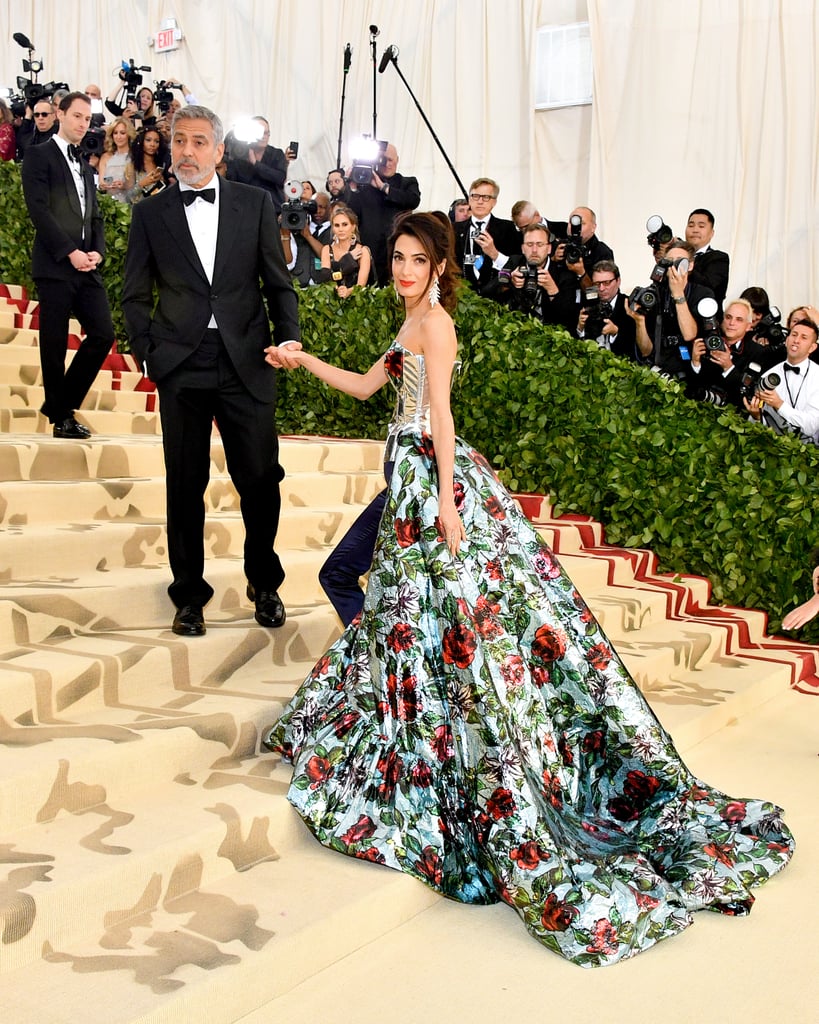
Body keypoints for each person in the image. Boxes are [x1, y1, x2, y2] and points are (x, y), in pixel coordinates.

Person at [262, 210, 793, 968]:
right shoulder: (408, 318)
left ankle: (418, 716)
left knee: (405, 605)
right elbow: (363, 390)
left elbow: (439, 414)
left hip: (424, 480)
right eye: (397, 257)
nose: (404, 269)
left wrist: (446, 499)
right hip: (404, 474)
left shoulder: (436, 323)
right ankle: (394, 696)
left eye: (416, 259)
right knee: (398, 609)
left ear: (440, 265)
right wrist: (302, 359)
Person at [122, 105, 301, 637]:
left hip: (247, 359)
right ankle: (189, 596)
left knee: (262, 480)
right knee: (184, 483)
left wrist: (287, 334)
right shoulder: (149, 214)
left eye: (200, 142)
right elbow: (134, 292)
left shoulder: (255, 203)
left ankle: (263, 583)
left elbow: (277, 283)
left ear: (219, 151)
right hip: (181, 363)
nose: (187, 151)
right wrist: (148, 351)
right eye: (180, 141)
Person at [21, 91, 116, 439]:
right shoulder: (38, 156)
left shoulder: (85, 164)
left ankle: (60, 405)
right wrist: (68, 252)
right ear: (60, 114)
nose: (82, 123)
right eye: (77, 116)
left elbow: (95, 216)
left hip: (86, 265)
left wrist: (98, 252)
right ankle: (62, 416)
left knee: (103, 333)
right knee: (54, 342)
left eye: (87, 119)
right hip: (55, 264)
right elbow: (39, 211)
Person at [743, 316, 819, 442]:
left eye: (803, 337)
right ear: (787, 339)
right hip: (773, 449)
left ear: (812, 347)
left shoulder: (817, 375)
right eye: (794, 335)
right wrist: (756, 416)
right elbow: (760, 426)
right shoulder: (768, 375)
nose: (796, 340)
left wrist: (779, 405)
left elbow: (811, 426)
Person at [454, 177, 521, 296]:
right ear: (469, 199)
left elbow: (517, 265)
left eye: (486, 197)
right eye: (475, 196)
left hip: (497, 300)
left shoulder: (508, 229)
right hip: (462, 299)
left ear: (494, 202)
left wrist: (494, 254)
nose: (480, 201)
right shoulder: (455, 229)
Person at [576, 260, 638, 359]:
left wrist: (615, 332)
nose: (601, 288)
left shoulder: (629, 305)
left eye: (606, 283)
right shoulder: (588, 304)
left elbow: (635, 346)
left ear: (618, 281)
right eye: (597, 284)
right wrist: (580, 328)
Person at [313, 205, 372, 297]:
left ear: (353, 227)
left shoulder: (362, 251)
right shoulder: (327, 250)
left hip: (357, 302)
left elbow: (361, 285)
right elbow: (324, 279)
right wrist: (348, 260)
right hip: (331, 301)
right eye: (337, 225)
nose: (340, 229)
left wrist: (348, 292)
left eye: (345, 225)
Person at [685, 208, 730, 308]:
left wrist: (683, 264)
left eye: (701, 226)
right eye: (691, 225)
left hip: (705, 319)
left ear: (712, 233)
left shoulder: (719, 258)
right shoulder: (675, 255)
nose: (695, 230)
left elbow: (708, 286)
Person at [128, 125, 171, 201]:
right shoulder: (132, 165)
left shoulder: (161, 164)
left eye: (156, 141)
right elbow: (128, 196)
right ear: (141, 141)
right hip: (139, 209)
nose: (152, 144)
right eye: (148, 140)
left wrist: (163, 181)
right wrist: (142, 184)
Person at [97, 117, 136, 202]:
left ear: (128, 134)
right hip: (109, 203)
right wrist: (103, 186)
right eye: (115, 133)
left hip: (130, 203)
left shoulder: (135, 156)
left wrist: (123, 185)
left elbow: (137, 184)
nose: (118, 137)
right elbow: (100, 183)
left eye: (122, 133)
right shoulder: (105, 157)